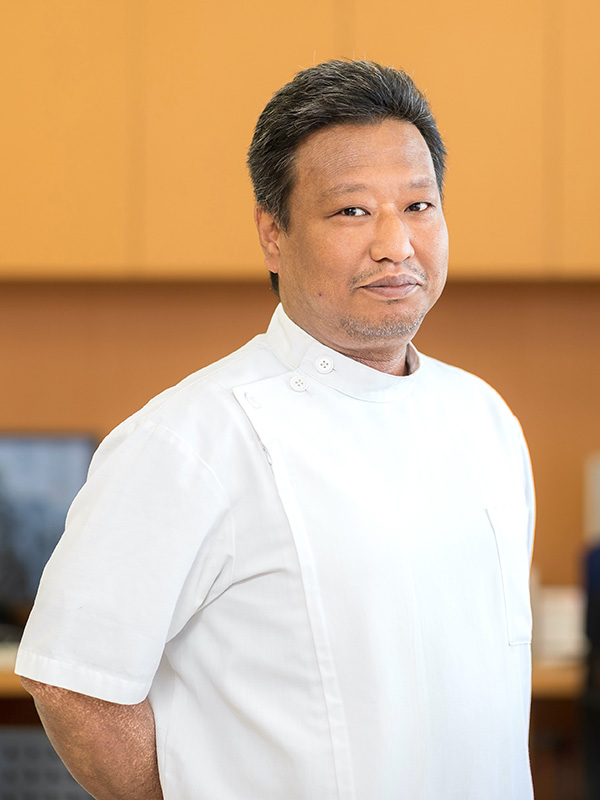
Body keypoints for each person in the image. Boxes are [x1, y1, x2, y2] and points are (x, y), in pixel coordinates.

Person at [16, 60, 535, 800]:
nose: (396, 243)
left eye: (419, 205)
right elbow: (74, 683)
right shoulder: (191, 439)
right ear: (272, 234)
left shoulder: (484, 418)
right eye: (352, 211)